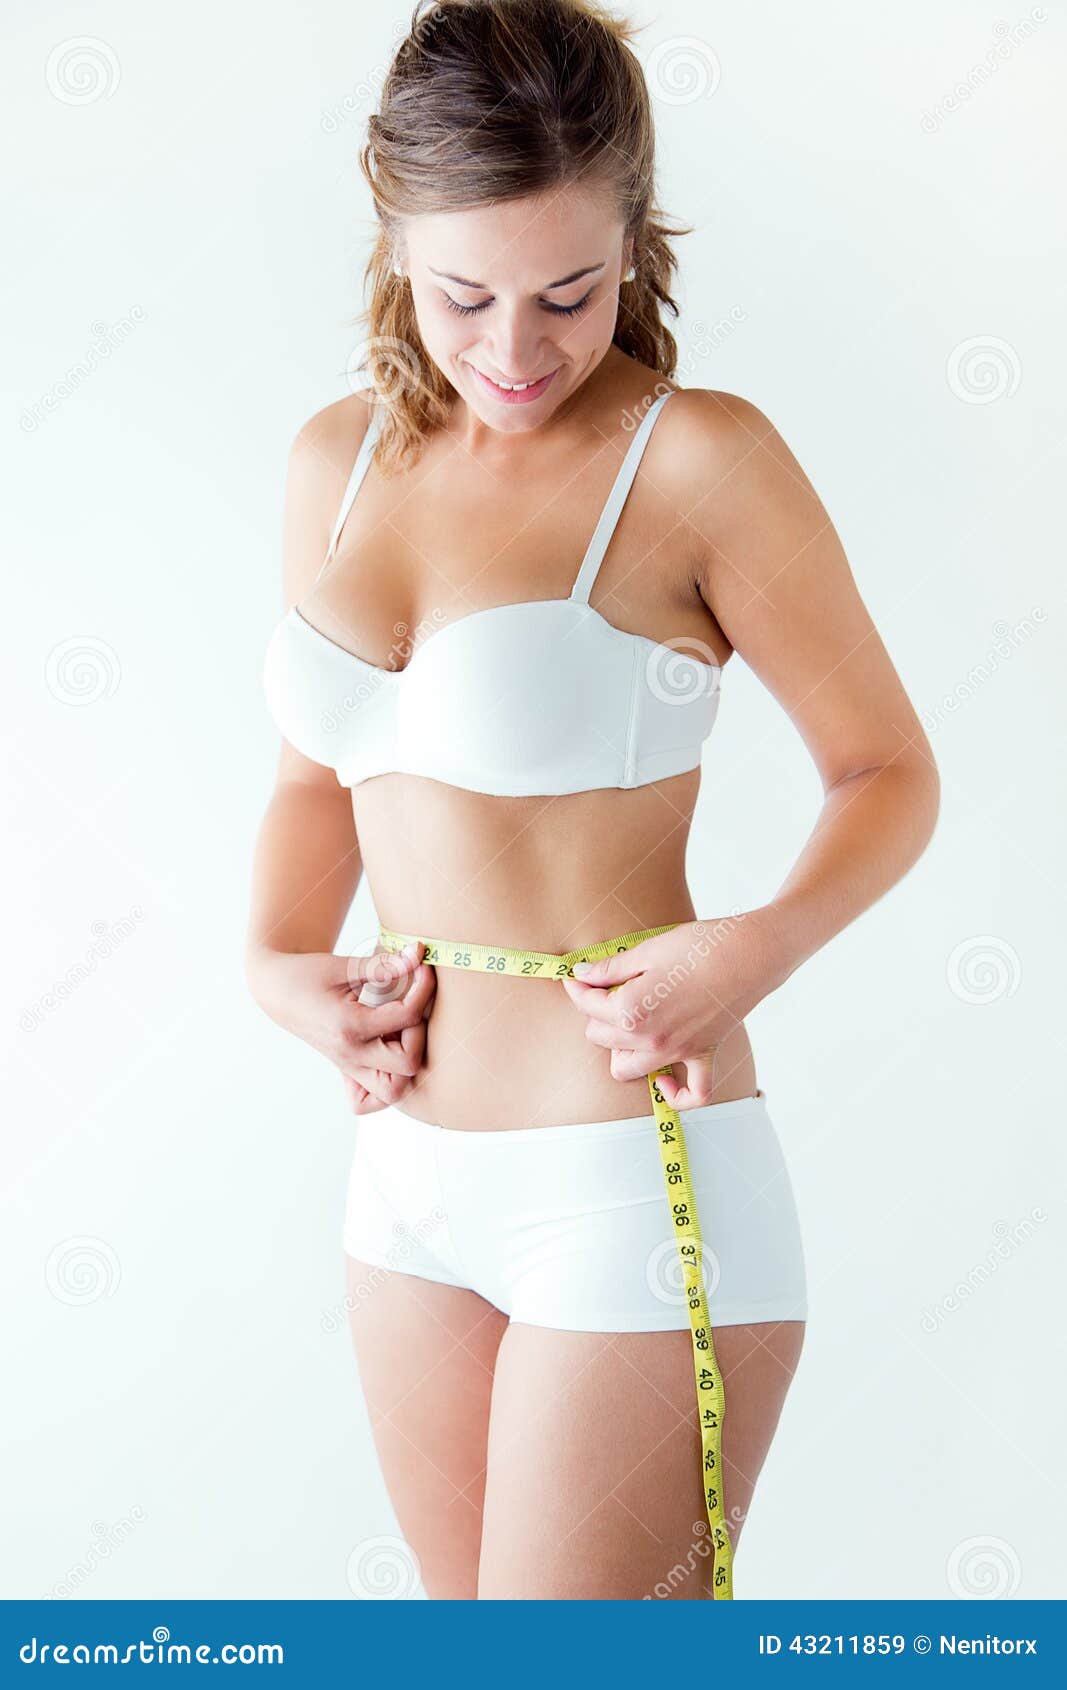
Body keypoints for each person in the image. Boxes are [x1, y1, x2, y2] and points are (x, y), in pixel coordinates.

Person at [245, 0, 939, 1600]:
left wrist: (746, 950)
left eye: (569, 291)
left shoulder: (695, 460)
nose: (512, 350)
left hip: (632, 1177)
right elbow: (310, 779)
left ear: (637, 237)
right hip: (404, 1192)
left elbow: (890, 772)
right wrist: (277, 969)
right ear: (393, 241)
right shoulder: (331, 464)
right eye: (462, 294)